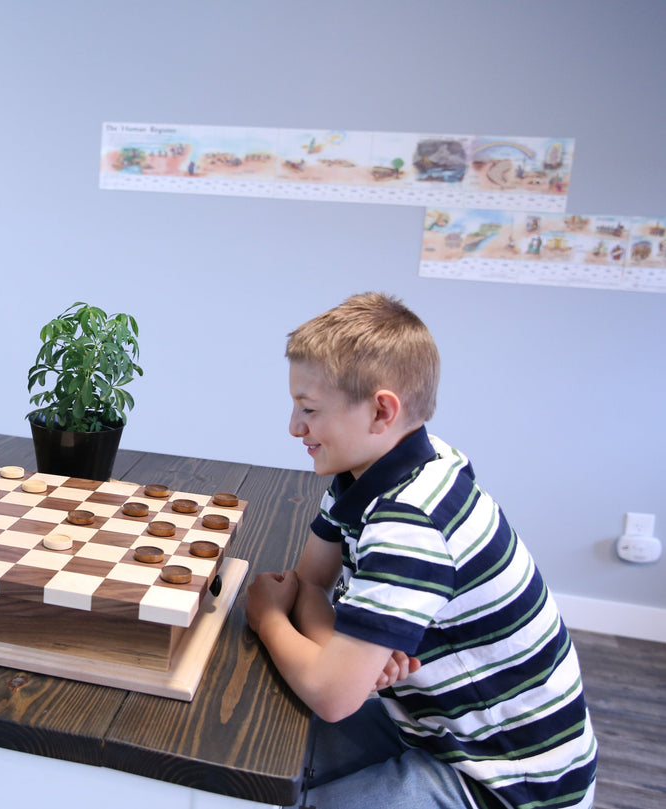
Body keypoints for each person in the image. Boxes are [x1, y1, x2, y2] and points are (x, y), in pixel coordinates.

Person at [246, 292, 597, 809]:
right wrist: (336, 650)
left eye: (310, 410)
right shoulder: (393, 464)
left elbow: (333, 694)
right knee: (261, 759)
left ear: (382, 411)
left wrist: (266, 617)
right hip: (430, 724)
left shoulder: (410, 523)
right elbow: (310, 580)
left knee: (281, 782)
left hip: (507, 782)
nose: (294, 427)